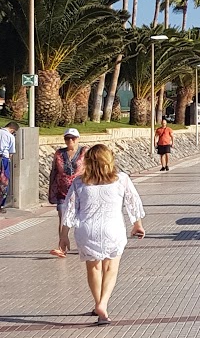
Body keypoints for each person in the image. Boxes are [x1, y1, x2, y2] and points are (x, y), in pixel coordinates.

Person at [60, 144, 146, 324]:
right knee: (110, 268)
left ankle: (97, 303)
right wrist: (137, 224)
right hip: (112, 228)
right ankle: (103, 304)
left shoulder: (79, 182)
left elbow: (69, 209)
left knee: (93, 268)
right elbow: (133, 201)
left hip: (86, 229)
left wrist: (63, 236)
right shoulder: (121, 179)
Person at [47, 129, 86, 258]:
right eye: (67, 138)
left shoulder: (84, 152)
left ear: (78, 139)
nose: (70, 141)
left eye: (73, 138)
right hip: (62, 191)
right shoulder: (59, 153)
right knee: (63, 217)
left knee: (81, 219)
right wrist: (51, 190)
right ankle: (61, 247)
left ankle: (83, 245)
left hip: (80, 191)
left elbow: (89, 169)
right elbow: (54, 171)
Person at [0, 121, 15, 203]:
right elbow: (11, 151)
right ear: (12, 130)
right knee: (4, 180)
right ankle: (2, 203)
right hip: (4, 159)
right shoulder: (10, 136)